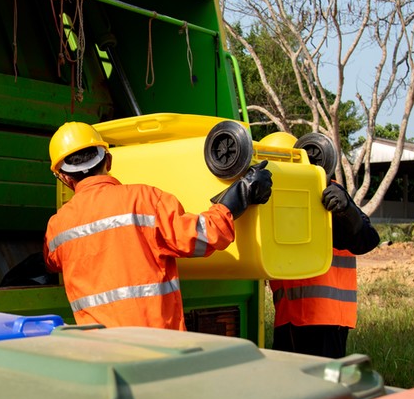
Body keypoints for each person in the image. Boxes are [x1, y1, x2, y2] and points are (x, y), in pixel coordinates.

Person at [43, 122, 273, 330]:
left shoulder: (57, 228)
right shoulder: (145, 200)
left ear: (64, 178)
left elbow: (51, 262)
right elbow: (204, 236)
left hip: (103, 353)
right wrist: (241, 194)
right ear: (109, 160)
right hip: (158, 346)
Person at [270, 179, 379, 358]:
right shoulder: (276, 189)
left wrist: (346, 210)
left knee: (323, 382)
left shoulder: (328, 189)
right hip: (287, 316)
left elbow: (367, 240)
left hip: (325, 319)